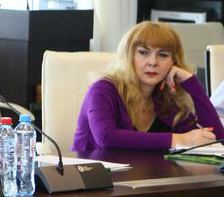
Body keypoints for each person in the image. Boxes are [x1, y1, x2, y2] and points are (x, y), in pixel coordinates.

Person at [72, 21, 223, 153]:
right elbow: (107, 138)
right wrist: (179, 139)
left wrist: (190, 81)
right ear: (129, 56)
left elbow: (217, 138)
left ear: (174, 61)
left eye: (163, 55)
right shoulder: (102, 90)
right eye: (143, 52)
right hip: (95, 174)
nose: (153, 62)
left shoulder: (167, 97)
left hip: (151, 176)